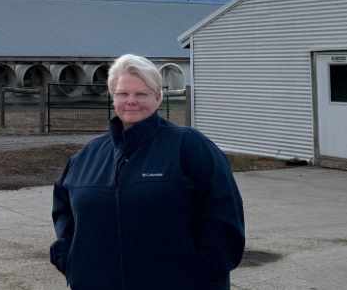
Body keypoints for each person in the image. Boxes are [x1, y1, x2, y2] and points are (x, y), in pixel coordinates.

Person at [49, 54, 245, 289]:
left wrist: (204, 272)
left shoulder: (190, 148)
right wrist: (69, 260)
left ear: (158, 97)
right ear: (113, 97)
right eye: (123, 93)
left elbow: (224, 217)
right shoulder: (88, 155)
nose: (131, 101)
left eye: (141, 93)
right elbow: (64, 209)